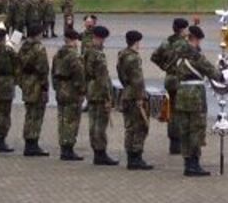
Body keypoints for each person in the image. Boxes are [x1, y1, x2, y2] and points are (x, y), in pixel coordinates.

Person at [173, 25, 225, 176]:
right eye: (199, 41)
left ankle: (187, 162)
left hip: (181, 95)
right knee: (196, 129)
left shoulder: (178, 55)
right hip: (195, 96)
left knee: (185, 130)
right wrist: (222, 73)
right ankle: (194, 164)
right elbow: (212, 72)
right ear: (195, 39)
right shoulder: (195, 56)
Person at [150, 18, 189, 155]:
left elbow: (154, 57)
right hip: (181, 80)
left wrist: (165, 67)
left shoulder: (166, 43)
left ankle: (174, 142)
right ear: (183, 29)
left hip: (169, 79)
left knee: (172, 112)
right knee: (181, 112)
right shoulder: (184, 44)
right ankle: (180, 141)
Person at [117, 30, 153, 170]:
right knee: (140, 127)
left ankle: (130, 157)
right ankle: (136, 156)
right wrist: (140, 97)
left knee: (129, 127)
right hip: (134, 96)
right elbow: (137, 80)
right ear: (136, 42)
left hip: (126, 93)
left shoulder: (122, 55)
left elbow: (121, 75)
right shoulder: (134, 58)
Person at [83, 24, 118, 165]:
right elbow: (103, 78)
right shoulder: (98, 55)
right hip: (99, 91)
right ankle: (100, 151)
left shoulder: (87, 51)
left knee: (93, 122)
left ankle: (97, 150)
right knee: (100, 124)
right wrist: (108, 97)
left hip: (91, 90)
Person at [14, 24, 50, 157]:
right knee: (36, 114)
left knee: (29, 113)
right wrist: (45, 86)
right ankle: (32, 143)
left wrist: (21, 81)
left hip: (27, 83)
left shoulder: (23, 47)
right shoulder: (39, 48)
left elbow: (17, 66)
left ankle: (29, 142)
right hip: (36, 84)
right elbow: (43, 69)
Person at [52, 29, 86, 161]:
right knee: (71, 120)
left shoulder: (58, 54)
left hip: (61, 88)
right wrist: (82, 91)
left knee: (62, 118)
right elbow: (79, 75)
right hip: (72, 90)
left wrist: (56, 87)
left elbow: (53, 72)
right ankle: (68, 148)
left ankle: (63, 145)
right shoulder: (74, 56)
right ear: (74, 40)